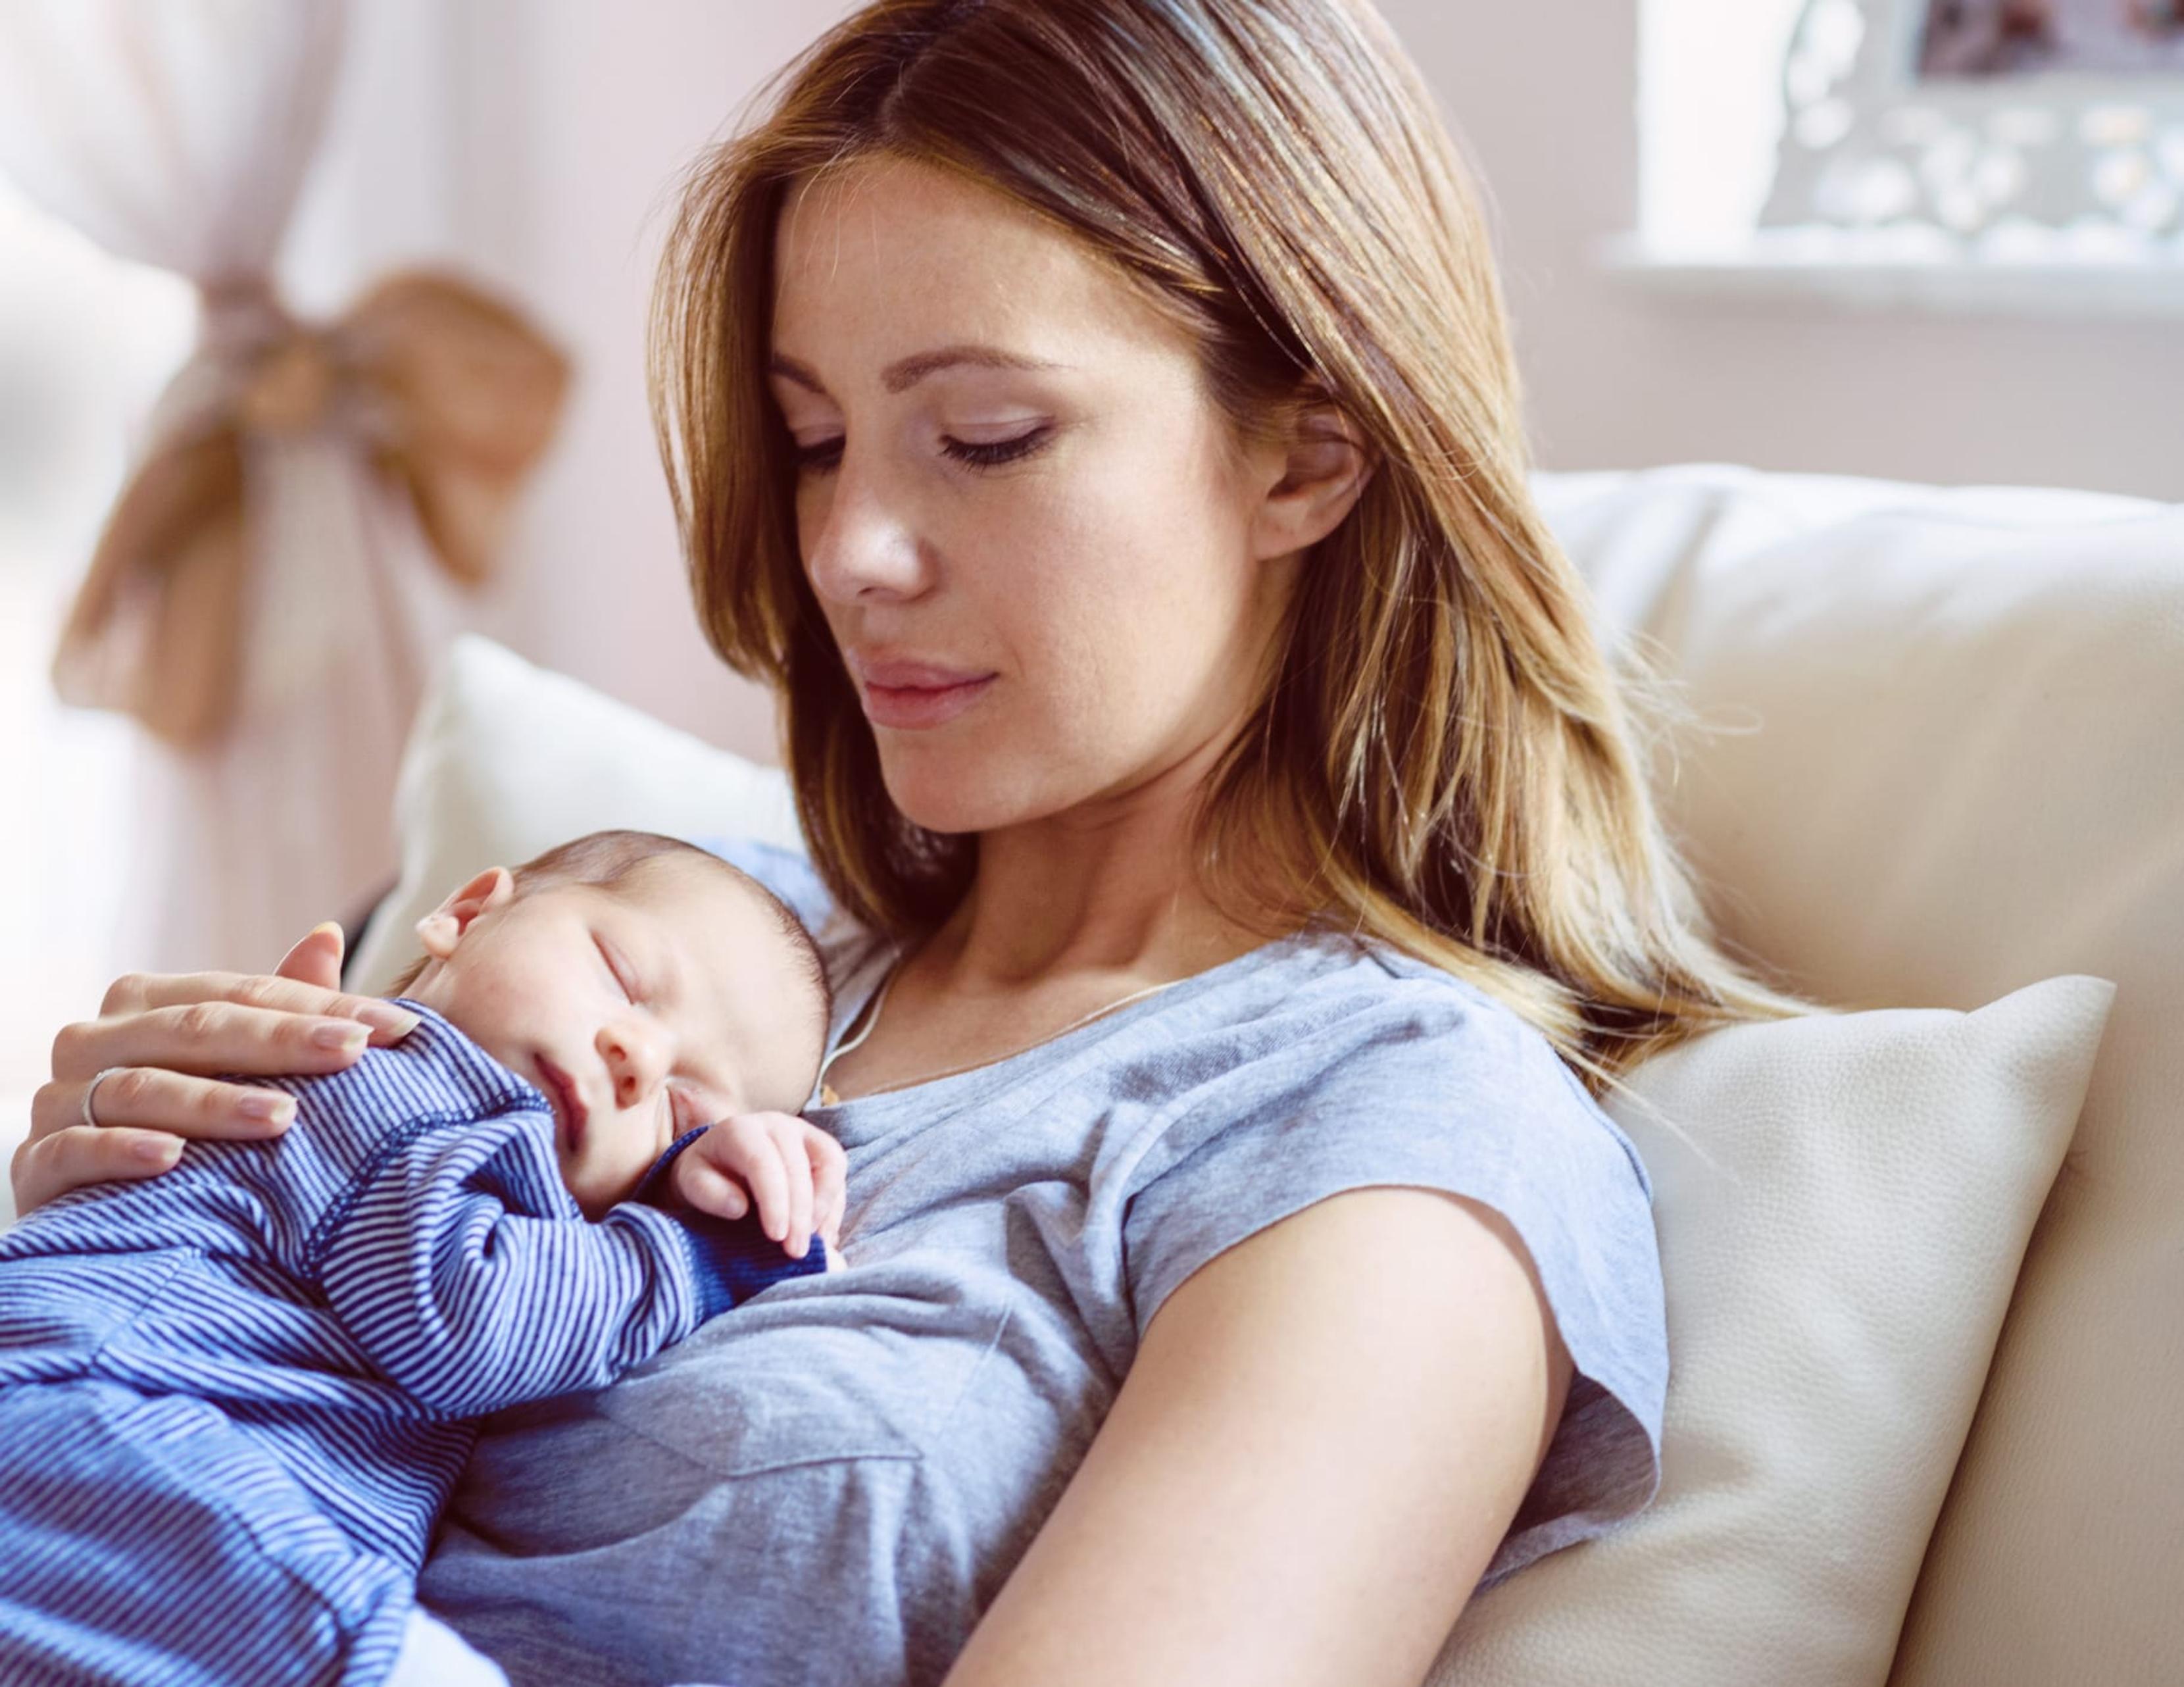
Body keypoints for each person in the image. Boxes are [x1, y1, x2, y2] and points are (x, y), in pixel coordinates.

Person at [14, 3, 1809, 1682]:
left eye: (986, 435)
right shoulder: (693, 945)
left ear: (1305, 458)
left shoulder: (1385, 1132)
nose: (852, 548)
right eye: (812, 440)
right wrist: (130, 1227)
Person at [0, 830, 845, 1687]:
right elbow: (455, 1317)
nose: (638, 1061)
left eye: (679, 1110)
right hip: (113, 1426)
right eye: (622, 979)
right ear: (469, 912)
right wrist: (702, 1250)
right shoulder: (397, 1083)